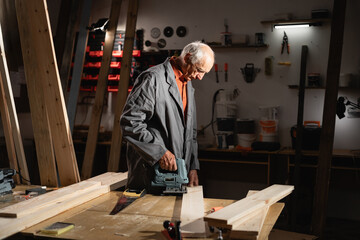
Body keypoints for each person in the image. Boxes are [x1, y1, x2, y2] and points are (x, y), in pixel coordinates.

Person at [120, 41, 215, 191]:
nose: (200, 77)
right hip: (150, 173)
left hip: (177, 175)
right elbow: (130, 122)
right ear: (187, 57)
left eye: (204, 73)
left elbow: (191, 132)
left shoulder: (187, 83)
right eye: (199, 70)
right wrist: (159, 152)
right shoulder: (153, 79)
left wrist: (192, 166)